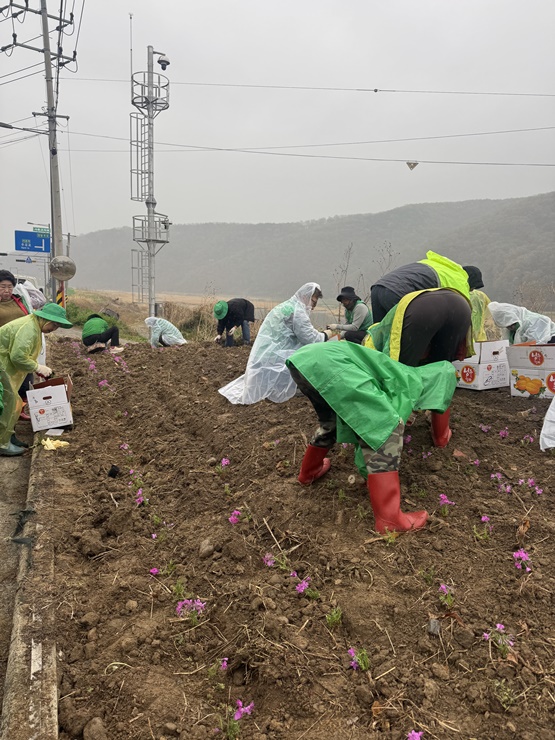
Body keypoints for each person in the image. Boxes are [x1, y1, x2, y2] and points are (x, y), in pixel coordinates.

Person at [286, 341, 457, 533]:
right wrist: (367, 468)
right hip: (331, 362)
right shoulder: (413, 382)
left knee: (331, 423)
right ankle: (390, 520)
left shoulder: (402, 372)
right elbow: (382, 429)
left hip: (305, 361)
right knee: (384, 425)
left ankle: (309, 472)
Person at [364, 288, 473, 446]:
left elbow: (388, 377)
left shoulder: (373, 341)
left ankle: (395, 429)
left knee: (402, 376)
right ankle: (441, 436)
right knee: (442, 374)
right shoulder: (386, 327)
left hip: (422, 311)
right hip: (461, 306)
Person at [219, 283, 331, 404]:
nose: (313, 306)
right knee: (310, 353)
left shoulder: (288, 305)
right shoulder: (298, 312)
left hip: (268, 352)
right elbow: (309, 338)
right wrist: (325, 335)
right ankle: (299, 385)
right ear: (305, 296)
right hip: (277, 353)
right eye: (313, 301)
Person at [0, 303, 72, 456]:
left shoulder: (34, 325)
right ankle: (2, 443)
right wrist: (37, 367)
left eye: (58, 326)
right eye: (54, 324)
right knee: (8, 403)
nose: (54, 328)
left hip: (5, 366)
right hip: (2, 365)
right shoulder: (29, 329)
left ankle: (9, 436)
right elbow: (18, 357)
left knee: (14, 403)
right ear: (46, 319)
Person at [370, 250, 483, 323]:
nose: (470, 291)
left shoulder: (441, 266)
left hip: (378, 288)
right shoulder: (459, 281)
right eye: (472, 289)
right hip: (397, 292)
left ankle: (373, 354)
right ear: (469, 282)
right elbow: (461, 317)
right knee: (406, 332)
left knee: (378, 333)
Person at [0, 270, 37, 419]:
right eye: (3, 287)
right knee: (6, 383)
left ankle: (20, 410)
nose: (7, 290)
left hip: (21, 346)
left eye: (10, 287)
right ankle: (7, 413)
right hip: (3, 349)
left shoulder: (19, 301)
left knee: (25, 380)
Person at [488, 302, 555, 345]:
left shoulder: (536, 321)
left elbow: (537, 345)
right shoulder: (511, 331)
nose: (509, 327)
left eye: (510, 325)